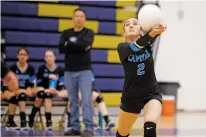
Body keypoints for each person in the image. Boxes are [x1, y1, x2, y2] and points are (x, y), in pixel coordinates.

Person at [116, 18, 167, 137]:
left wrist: (159, 27)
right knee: (122, 133)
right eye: (127, 25)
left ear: (141, 31)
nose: (131, 26)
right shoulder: (122, 48)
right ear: (124, 33)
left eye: (135, 24)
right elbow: (135, 47)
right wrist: (152, 33)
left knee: (150, 127)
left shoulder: (148, 43)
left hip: (151, 93)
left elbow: (153, 33)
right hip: (131, 96)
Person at [59, 8, 94, 137]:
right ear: (73, 18)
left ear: (84, 19)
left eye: (81, 16)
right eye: (76, 16)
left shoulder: (89, 32)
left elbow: (86, 44)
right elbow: (61, 48)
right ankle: (75, 127)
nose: (79, 18)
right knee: (72, 100)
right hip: (69, 72)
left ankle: (89, 127)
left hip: (84, 71)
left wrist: (71, 45)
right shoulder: (66, 32)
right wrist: (80, 46)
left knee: (86, 100)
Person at [29, 50, 65, 130]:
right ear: (45, 58)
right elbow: (38, 81)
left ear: (54, 57)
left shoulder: (61, 69)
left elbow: (62, 83)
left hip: (54, 92)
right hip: (42, 90)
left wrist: (56, 90)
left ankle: (47, 122)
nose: (48, 58)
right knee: (42, 94)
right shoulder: (42, 68)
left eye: (50, 56)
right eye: (46, 56)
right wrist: (48, 76)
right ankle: (33, 117)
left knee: (47, 95)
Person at [10, 48, 37, 130]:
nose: (22, 56)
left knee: (25, 94)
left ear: (27, 56)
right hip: (15, 91)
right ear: (17, 56)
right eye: (20, 54)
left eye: (24, 54)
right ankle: (23, 121)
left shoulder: (31, 68)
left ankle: (27, 119)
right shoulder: (12, 68)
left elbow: (32, 83)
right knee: (20, 95)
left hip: (26, 92)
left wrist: (29, 88)